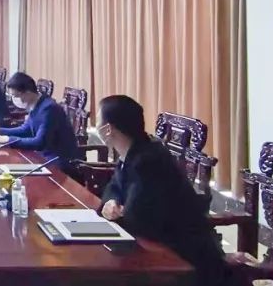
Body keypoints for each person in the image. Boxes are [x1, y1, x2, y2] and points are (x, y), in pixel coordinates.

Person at [95, 95, 234, 286]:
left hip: (183, 259)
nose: (96, 125)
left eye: (98, 120)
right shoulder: (133, 152)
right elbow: (113, 188)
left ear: (108, 129)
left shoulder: (148, 161)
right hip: (158, 246)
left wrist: (115, 211)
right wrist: (111, 202)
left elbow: (138, 218)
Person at [0, 72, 79, 172]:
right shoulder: (36, 104)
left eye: (16, 96)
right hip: (41, 156)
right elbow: (26, 129)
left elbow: (39, 142)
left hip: (57, 161)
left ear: (28, 93)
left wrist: (7, 139)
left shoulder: (49, 108)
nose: (14, 100)